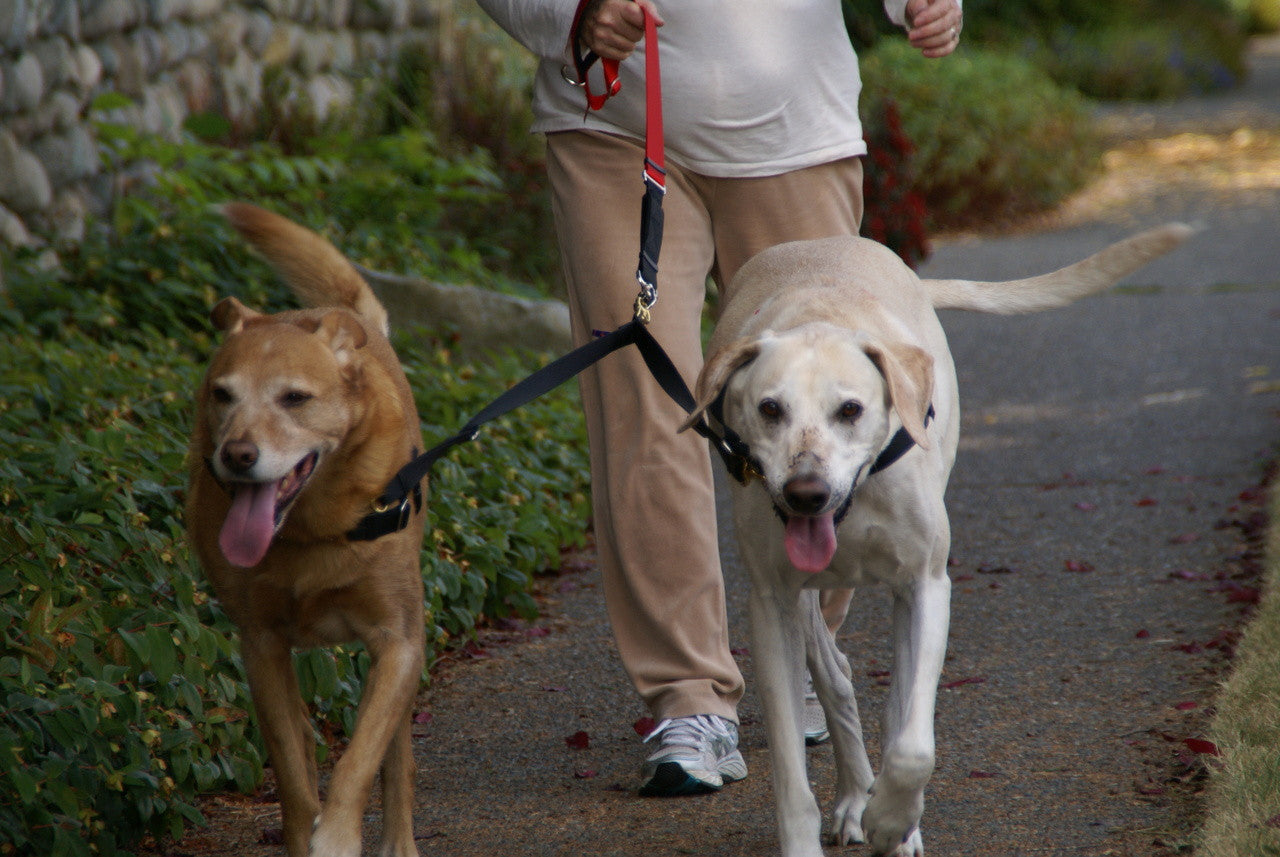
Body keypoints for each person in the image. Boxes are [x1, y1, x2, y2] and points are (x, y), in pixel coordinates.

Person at [474, 0, 963, 797]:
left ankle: (804, 652)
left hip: (792, 131)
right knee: (645, 409)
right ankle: (689, 696)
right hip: (611, 128)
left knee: (825, 414)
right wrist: (570, 15)